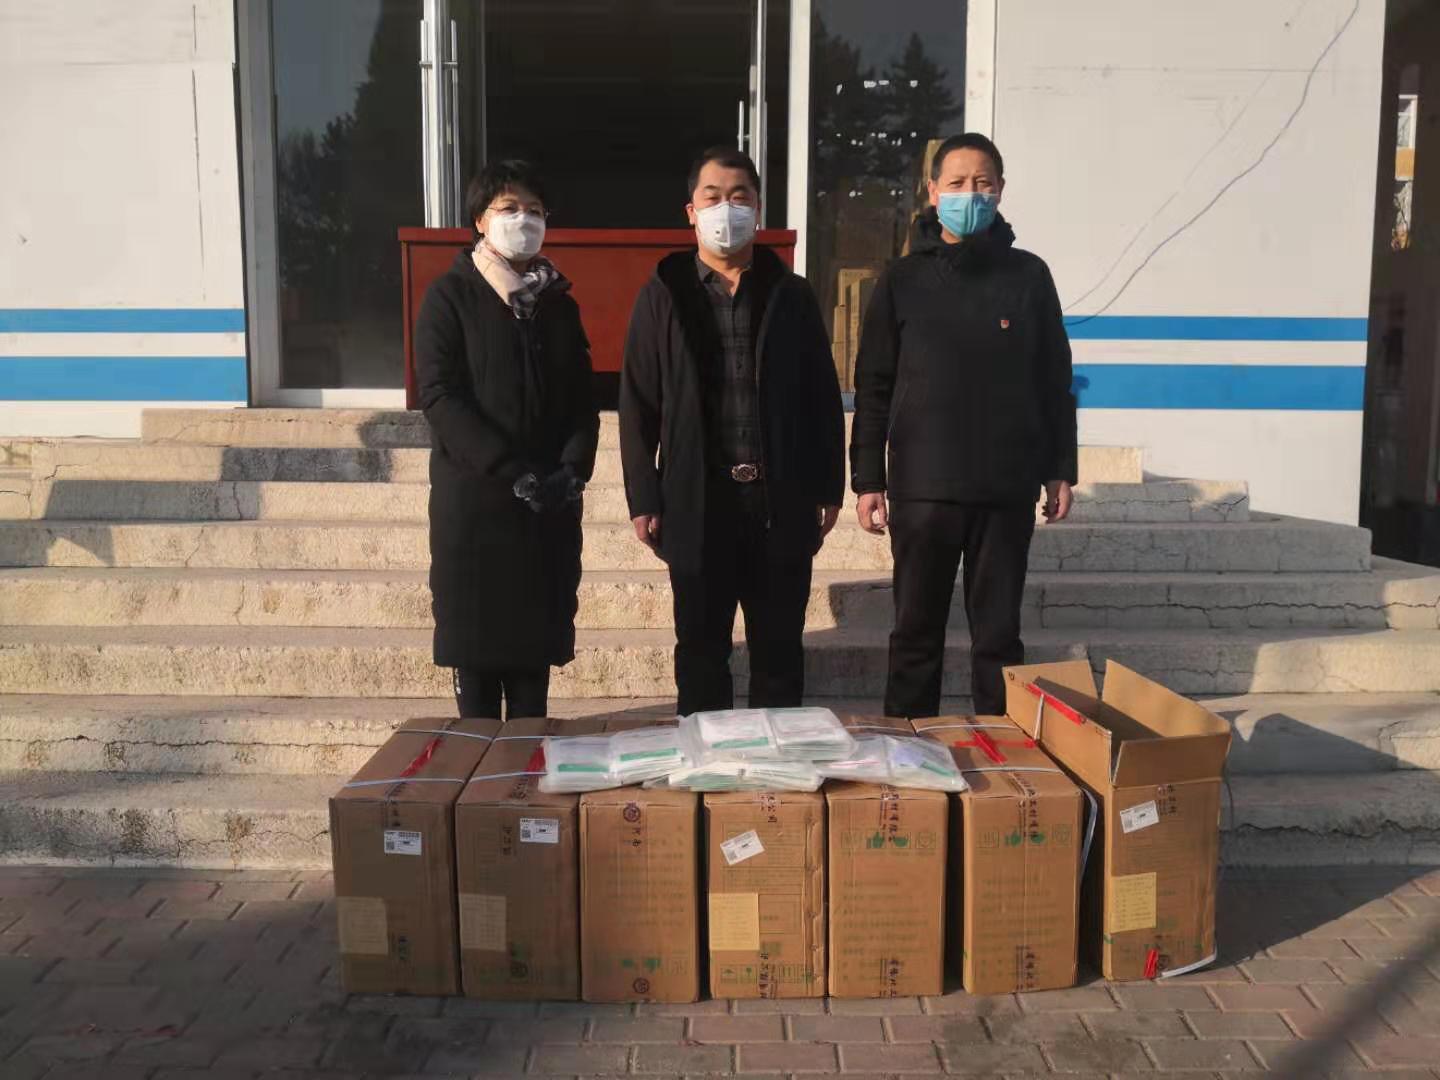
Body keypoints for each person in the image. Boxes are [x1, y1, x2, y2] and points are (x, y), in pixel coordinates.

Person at [851, 133, 1076, 719]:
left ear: (1000, 190)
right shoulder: (902, 279)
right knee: (914, 633)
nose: (968, 194)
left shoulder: (1029, 277)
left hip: (1005, 488)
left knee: (998, 639)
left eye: (981, 183)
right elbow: (874, 385)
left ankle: (1002, 753)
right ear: (932, 191)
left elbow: (1054, 379)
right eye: (955, 183)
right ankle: (908, 746)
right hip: (923, 487)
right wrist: (868, 479)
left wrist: (1060, 467)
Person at [619, 146, 845, 716]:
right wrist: (644, 496)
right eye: (713, 197)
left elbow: (822, 397)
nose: (727, 208)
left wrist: (829, 486)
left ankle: (778, 763)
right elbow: (638, 404)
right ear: (691, 212)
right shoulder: (663, 295)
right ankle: (705, 761)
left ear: (758, 210)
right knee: (701, 653)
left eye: (739, 197)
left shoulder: (791, 295)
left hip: (778, 503)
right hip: (697, 504)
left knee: (779, 654)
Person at [414, 159, 599, 720]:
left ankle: (524, 771)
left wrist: (573, 469)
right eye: (509, 208)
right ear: (479, 220)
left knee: (530, 686)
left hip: (546, 515)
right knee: (477, 689)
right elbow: (440, 395)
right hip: (477, 513)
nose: (524, 219)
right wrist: (509, 469)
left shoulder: (558, 305)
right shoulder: (450, 297)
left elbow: (582, 399)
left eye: (535, 210)